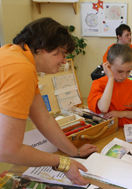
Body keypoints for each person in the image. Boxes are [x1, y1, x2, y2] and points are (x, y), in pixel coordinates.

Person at [0, 17, 98, 186]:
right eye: (63, 53)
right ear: (43, 46)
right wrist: (63, 163)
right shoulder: (20, 68)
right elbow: (8, 150)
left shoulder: (15, 56)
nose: (64, 60)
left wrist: (73, 152)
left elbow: (44, 119)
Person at [88, 44, 132, 127]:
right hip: (107, 129)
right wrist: (111, 78)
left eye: (128, 71)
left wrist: (122, 113)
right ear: (108, 66)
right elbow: (103, 108)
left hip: (126, 129)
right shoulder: (98, 84)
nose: (124, 76)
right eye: (120, 71)